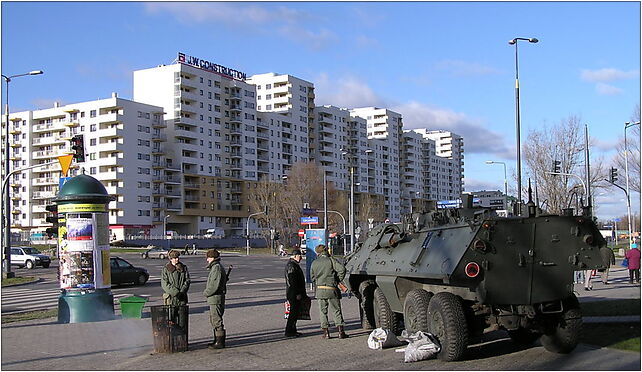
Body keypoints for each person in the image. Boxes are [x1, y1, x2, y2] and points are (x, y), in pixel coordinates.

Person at [310, 244, 349, 339]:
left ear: (317, 252)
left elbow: (312, 277)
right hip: (332, 289)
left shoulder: (314, 262)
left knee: (322, 312)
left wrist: (318, 282)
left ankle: (326, 333)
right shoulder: (331, 260)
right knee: (336, 310)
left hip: (320, 290)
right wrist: (337, 280)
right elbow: (342, 270)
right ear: (326, 251)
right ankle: (341, 332)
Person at [203, 249, 228, 349]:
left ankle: (220, 342)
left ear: (212, 258)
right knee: (214, 319)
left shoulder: (216, 268)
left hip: (215, 297)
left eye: (208, 257)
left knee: (216, 320)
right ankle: (216, 339)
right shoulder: (216, 267)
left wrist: (206, 292)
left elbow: (214, 285)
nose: (207, 260)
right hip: (216, 297)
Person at [284, 249, 306, 337]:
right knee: (293, 313)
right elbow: (293, 282)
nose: (301, 258)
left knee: (295, 312)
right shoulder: (292, 266)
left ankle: (293, 330)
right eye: (300, 256)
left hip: (293, 292)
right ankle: (289, 331)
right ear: (295, 256)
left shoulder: (293, 265)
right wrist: (297, 293)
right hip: (293, 293)